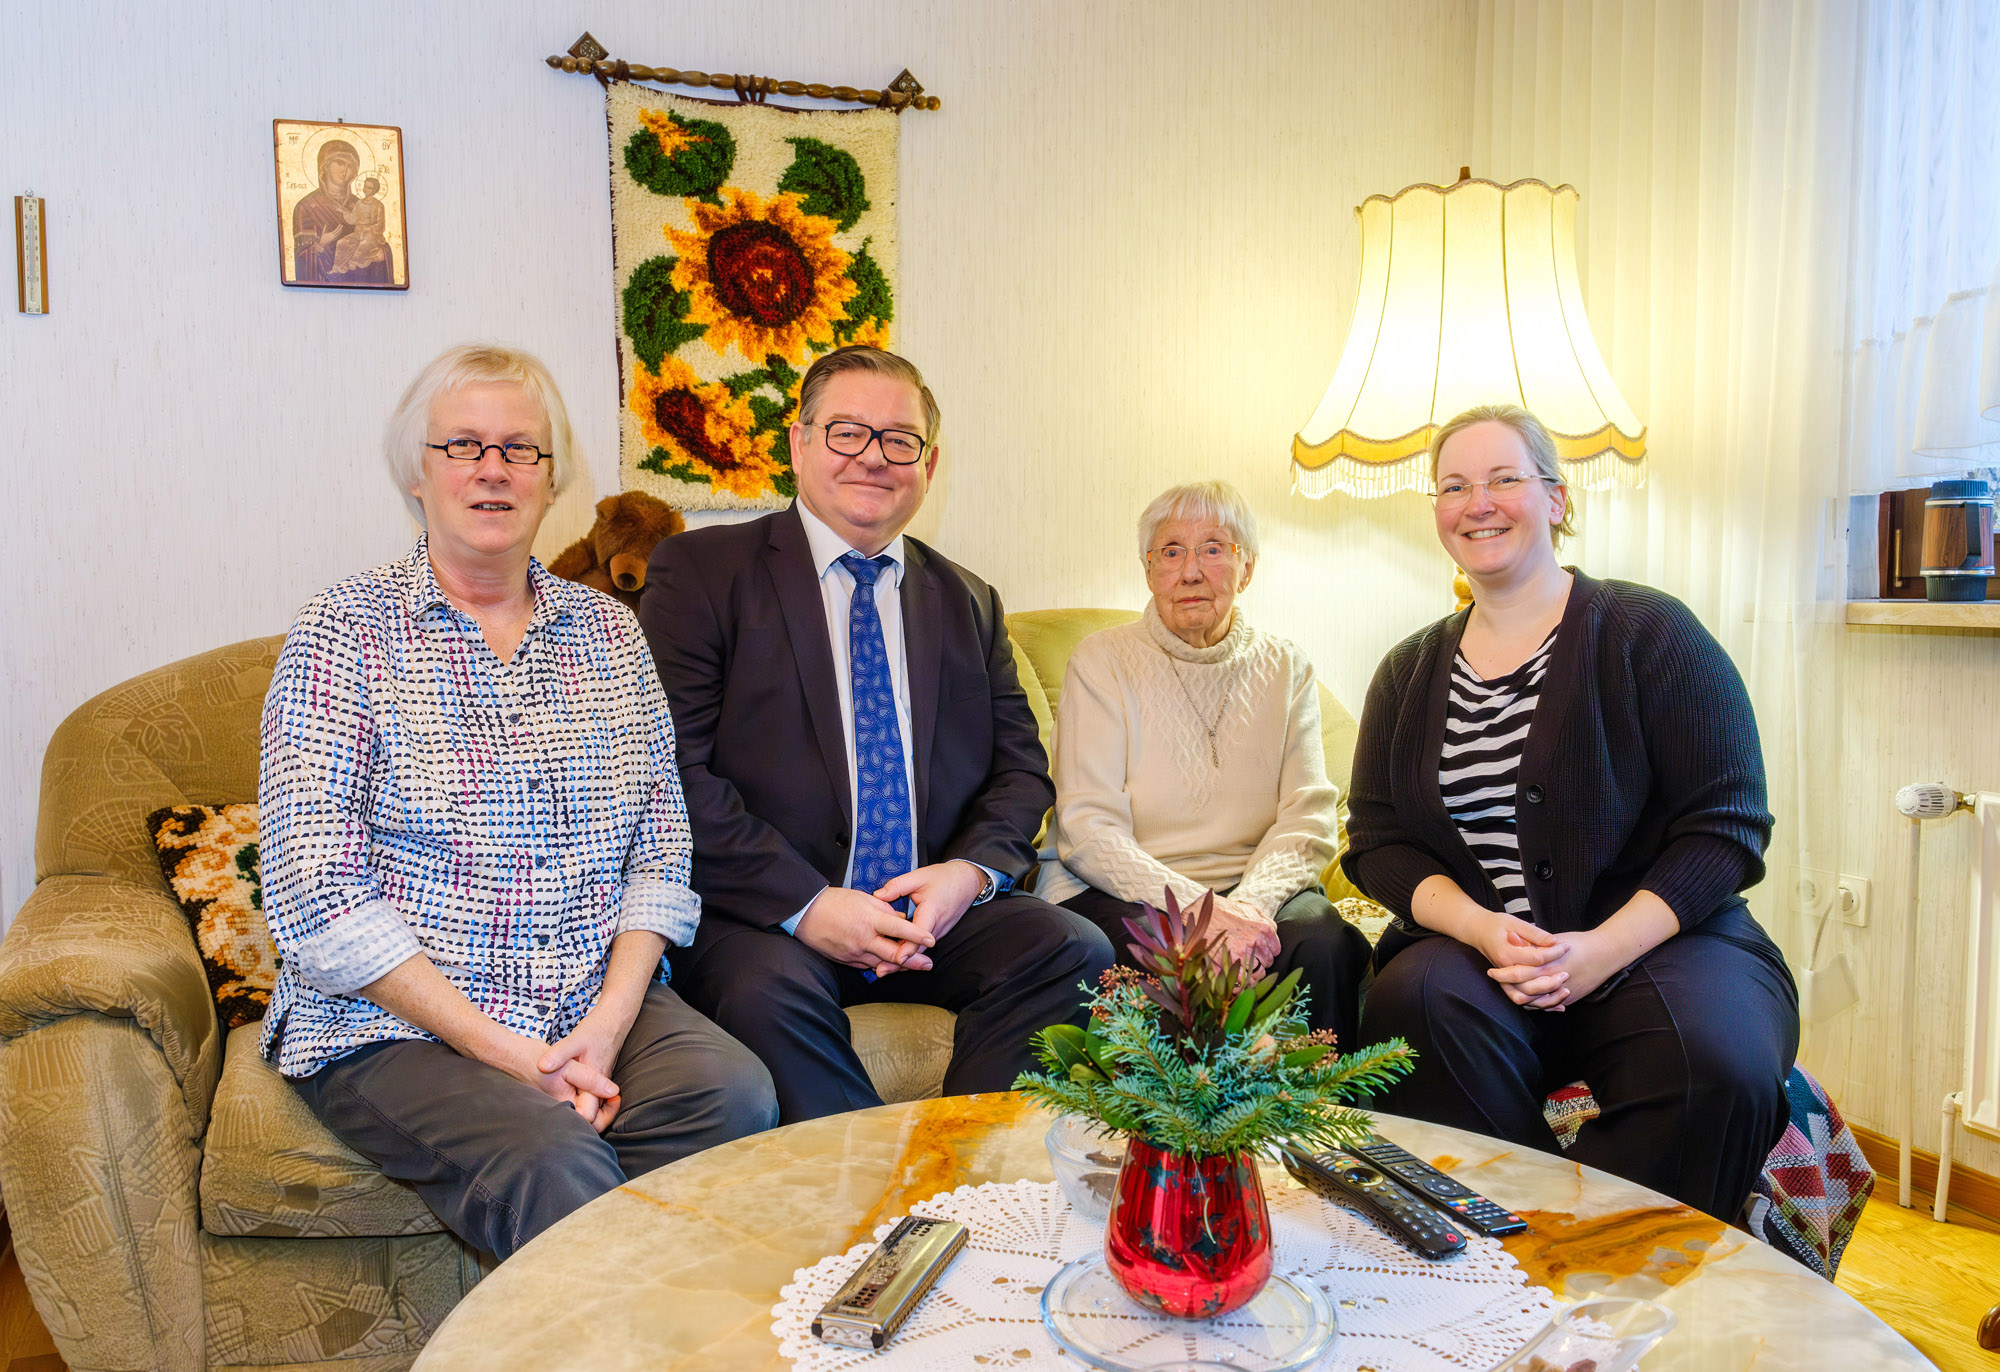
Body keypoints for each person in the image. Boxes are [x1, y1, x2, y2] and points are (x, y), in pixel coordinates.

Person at [259, 344, 777, 1261]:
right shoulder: (343, 630)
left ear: (553, 481)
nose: (492, 469)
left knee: (730, 1094)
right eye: (463, 445)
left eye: (521, 450)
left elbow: (660, 852)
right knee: (554, 1160)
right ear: (419, 471)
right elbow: (313, 888)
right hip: (397, 1021)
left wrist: (605, 1029)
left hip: (585, 990)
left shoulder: (612, 633)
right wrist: (517, 1058)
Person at [1345, 402, 1798, 1222]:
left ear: (1556, 499)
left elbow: (1727, 822)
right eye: (1453, 486)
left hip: (1659, 940)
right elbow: (1376, 842)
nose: (1476, 502)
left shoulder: (1649, 632)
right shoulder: (1406, 672)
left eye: (1503, 479)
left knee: (1717, 1063)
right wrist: (1484, 929)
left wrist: (1596, 951)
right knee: (1408, 1006)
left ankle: (1622, 1271)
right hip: (1480, 955)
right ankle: (1503, 1253)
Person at [639, 344, 1116, 1123]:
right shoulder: (701, 572)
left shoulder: (968, 598)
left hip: (926, 912)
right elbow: (672, 772)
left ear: (928, 463)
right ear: (798, 443)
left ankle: (967, 1174)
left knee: (1073, 951)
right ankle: (876, 1215)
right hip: (770, 916)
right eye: (847, 433)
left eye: (900, 440)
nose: (874, 458)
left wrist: (968, 875)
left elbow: (1020, 773)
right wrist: (806, 903)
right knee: (764, 995)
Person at [1040, 480, 1373, 1049]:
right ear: (1149, 571)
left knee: (1324, 941)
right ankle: (1185, 1134)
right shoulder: (1103, 661)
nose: (1190, 571)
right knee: (1181, 959)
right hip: (1123, 891)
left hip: (1252, 887)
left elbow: (1308, 821)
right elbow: (1088, 832)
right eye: (1171, 552)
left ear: (1246, 569)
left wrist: (1244, 910)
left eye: (1214, 548)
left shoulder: (1285, 666)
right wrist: (1201, 915)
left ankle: (1316, 1125)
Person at [291, 140, 393, 285]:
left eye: (350, 166)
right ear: (325, 166)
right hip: (323, 288)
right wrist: (320, 244)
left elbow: (378, 237)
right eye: (339, 163)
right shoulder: (307, 206)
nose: (345, 171)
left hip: (360, 283)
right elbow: (302, 256)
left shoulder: (359, 203)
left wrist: (384, 254)